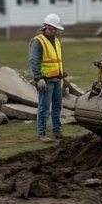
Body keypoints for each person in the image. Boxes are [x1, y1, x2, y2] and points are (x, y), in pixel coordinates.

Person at [30, 12, 65, 142]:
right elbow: (34, 61)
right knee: (44, 107)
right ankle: (42, 133)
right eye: (50, 28)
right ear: (45, 27)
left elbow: (57, 60)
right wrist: (38, 78)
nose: (53, 31)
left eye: (55, 29)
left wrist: (62, 75)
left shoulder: (56, 40)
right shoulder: (38, 41)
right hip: (46, 81)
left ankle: (57, 130)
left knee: (57, 106)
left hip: (57, 79)